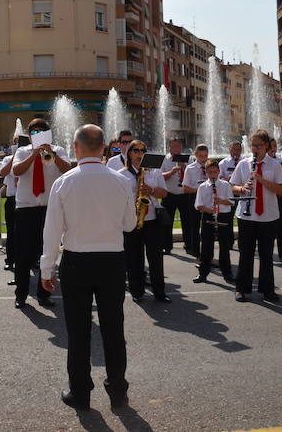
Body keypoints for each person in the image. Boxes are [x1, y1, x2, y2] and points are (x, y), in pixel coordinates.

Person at [40, 124, 136, 411]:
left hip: (77, 261)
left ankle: (80, 392)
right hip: (112, 261)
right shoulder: (120, 181)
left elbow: (52, 232)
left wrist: (47, 270)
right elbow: (130, 224)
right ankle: (118, 390)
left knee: (78, 331)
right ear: (105, 148)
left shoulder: (65, 182)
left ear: (75, 146)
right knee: (113, 328)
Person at [11, 118, 72, 309]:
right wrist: (34, 154)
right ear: (29, 136)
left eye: (41, 132)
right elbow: (16, 171)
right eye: (34, 133)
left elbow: (67, 170)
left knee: (48, 253)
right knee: (23, 255)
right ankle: (21, 294)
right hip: (26, 208)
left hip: (49, 208)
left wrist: (51, 153)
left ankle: (44, 293)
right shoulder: (22, 151)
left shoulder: (58, 150)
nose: (37, 136)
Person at [230, 130, 282, 302]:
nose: (255, 149)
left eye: (259, 146)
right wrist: (242, 189)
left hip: (268, 216)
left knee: (266, 254)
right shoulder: (244, 163)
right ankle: (241, 288)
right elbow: (232, 185)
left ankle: (267, 290)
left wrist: (261, 179)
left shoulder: (274, 164)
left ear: (267, 146)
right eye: (253, 145)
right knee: (246, 253)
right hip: (247, 216)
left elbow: (280, 190)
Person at [118, 140, 169, 302]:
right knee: (134, 258)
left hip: (152, 219)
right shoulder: (121, 174)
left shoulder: (154, 172)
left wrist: (151, 190)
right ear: (129, 153)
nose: (139, 154)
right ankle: (137, 291)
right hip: (132, 221)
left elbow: (164, 194)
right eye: (136, 151)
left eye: (142, 150)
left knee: (155, 258)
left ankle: (159, 292)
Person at [193, 160, 235, 284]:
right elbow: (198, 205)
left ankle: (227, 273)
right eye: (210, 172)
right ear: (206, 173)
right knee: (206, 247)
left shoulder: (225, 185)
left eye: (215, 172)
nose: (213, 175)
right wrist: (209, 210)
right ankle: (203, 273)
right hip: (208, 217)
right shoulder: (202, 186)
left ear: (219, 172)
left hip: (223, 216)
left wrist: (221, 201)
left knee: (224, 247)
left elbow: (232, 202)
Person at [160, 138, 192, 254]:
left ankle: (189, 245)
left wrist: (185, 168)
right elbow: (160, 176)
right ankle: (166, 246)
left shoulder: (189, 159)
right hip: (169, 194)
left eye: (178, 147)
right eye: (173, 147)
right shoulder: (164, 159)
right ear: (169, 147)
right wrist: (171, 172)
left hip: (184, 194)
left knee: (187, 221)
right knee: (167, 222)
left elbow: (193, 175)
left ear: (181, 148)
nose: (176, 149)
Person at [182, 144, 210, 258]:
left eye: (205, 156)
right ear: (196, 155)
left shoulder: (210, 167)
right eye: (201, 156)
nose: (203, 159)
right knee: (194, 225)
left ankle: (207, 251)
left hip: (207, 198)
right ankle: (195, 250)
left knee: (207, 226)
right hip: (194, 197)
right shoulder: (191, 168)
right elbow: (185, 188)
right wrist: (198, 190)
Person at [268, 138, 282, 265]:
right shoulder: (265, 162)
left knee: (281, 227)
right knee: (269, 227)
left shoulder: (281, 160)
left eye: (275, 146)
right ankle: (268, 254)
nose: (273, 148)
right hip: (269, 197)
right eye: (271, 146)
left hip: (281, 197)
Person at [0, 141, 19, 270]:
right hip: (12, 198)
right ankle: (10, 259)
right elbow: (3, 172)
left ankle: (33, 259)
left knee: (29, 232)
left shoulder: (32, 156)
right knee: (11, 232)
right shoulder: (7, 158)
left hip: (28, 200)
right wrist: (14, 157)